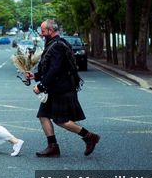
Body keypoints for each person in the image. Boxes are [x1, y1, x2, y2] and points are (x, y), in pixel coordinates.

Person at [25, 19, 99, 158]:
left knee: (62, 121)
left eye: (43, 31)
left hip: (62, 89)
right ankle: (53, 147)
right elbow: (48, 69)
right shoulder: (53, 44)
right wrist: (34, 76)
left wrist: (41, 86)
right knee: (43, 115)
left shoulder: (58, 45)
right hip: (55, 88)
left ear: (51, 31)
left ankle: (89, 137)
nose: (41, 34)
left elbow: (55, 70)